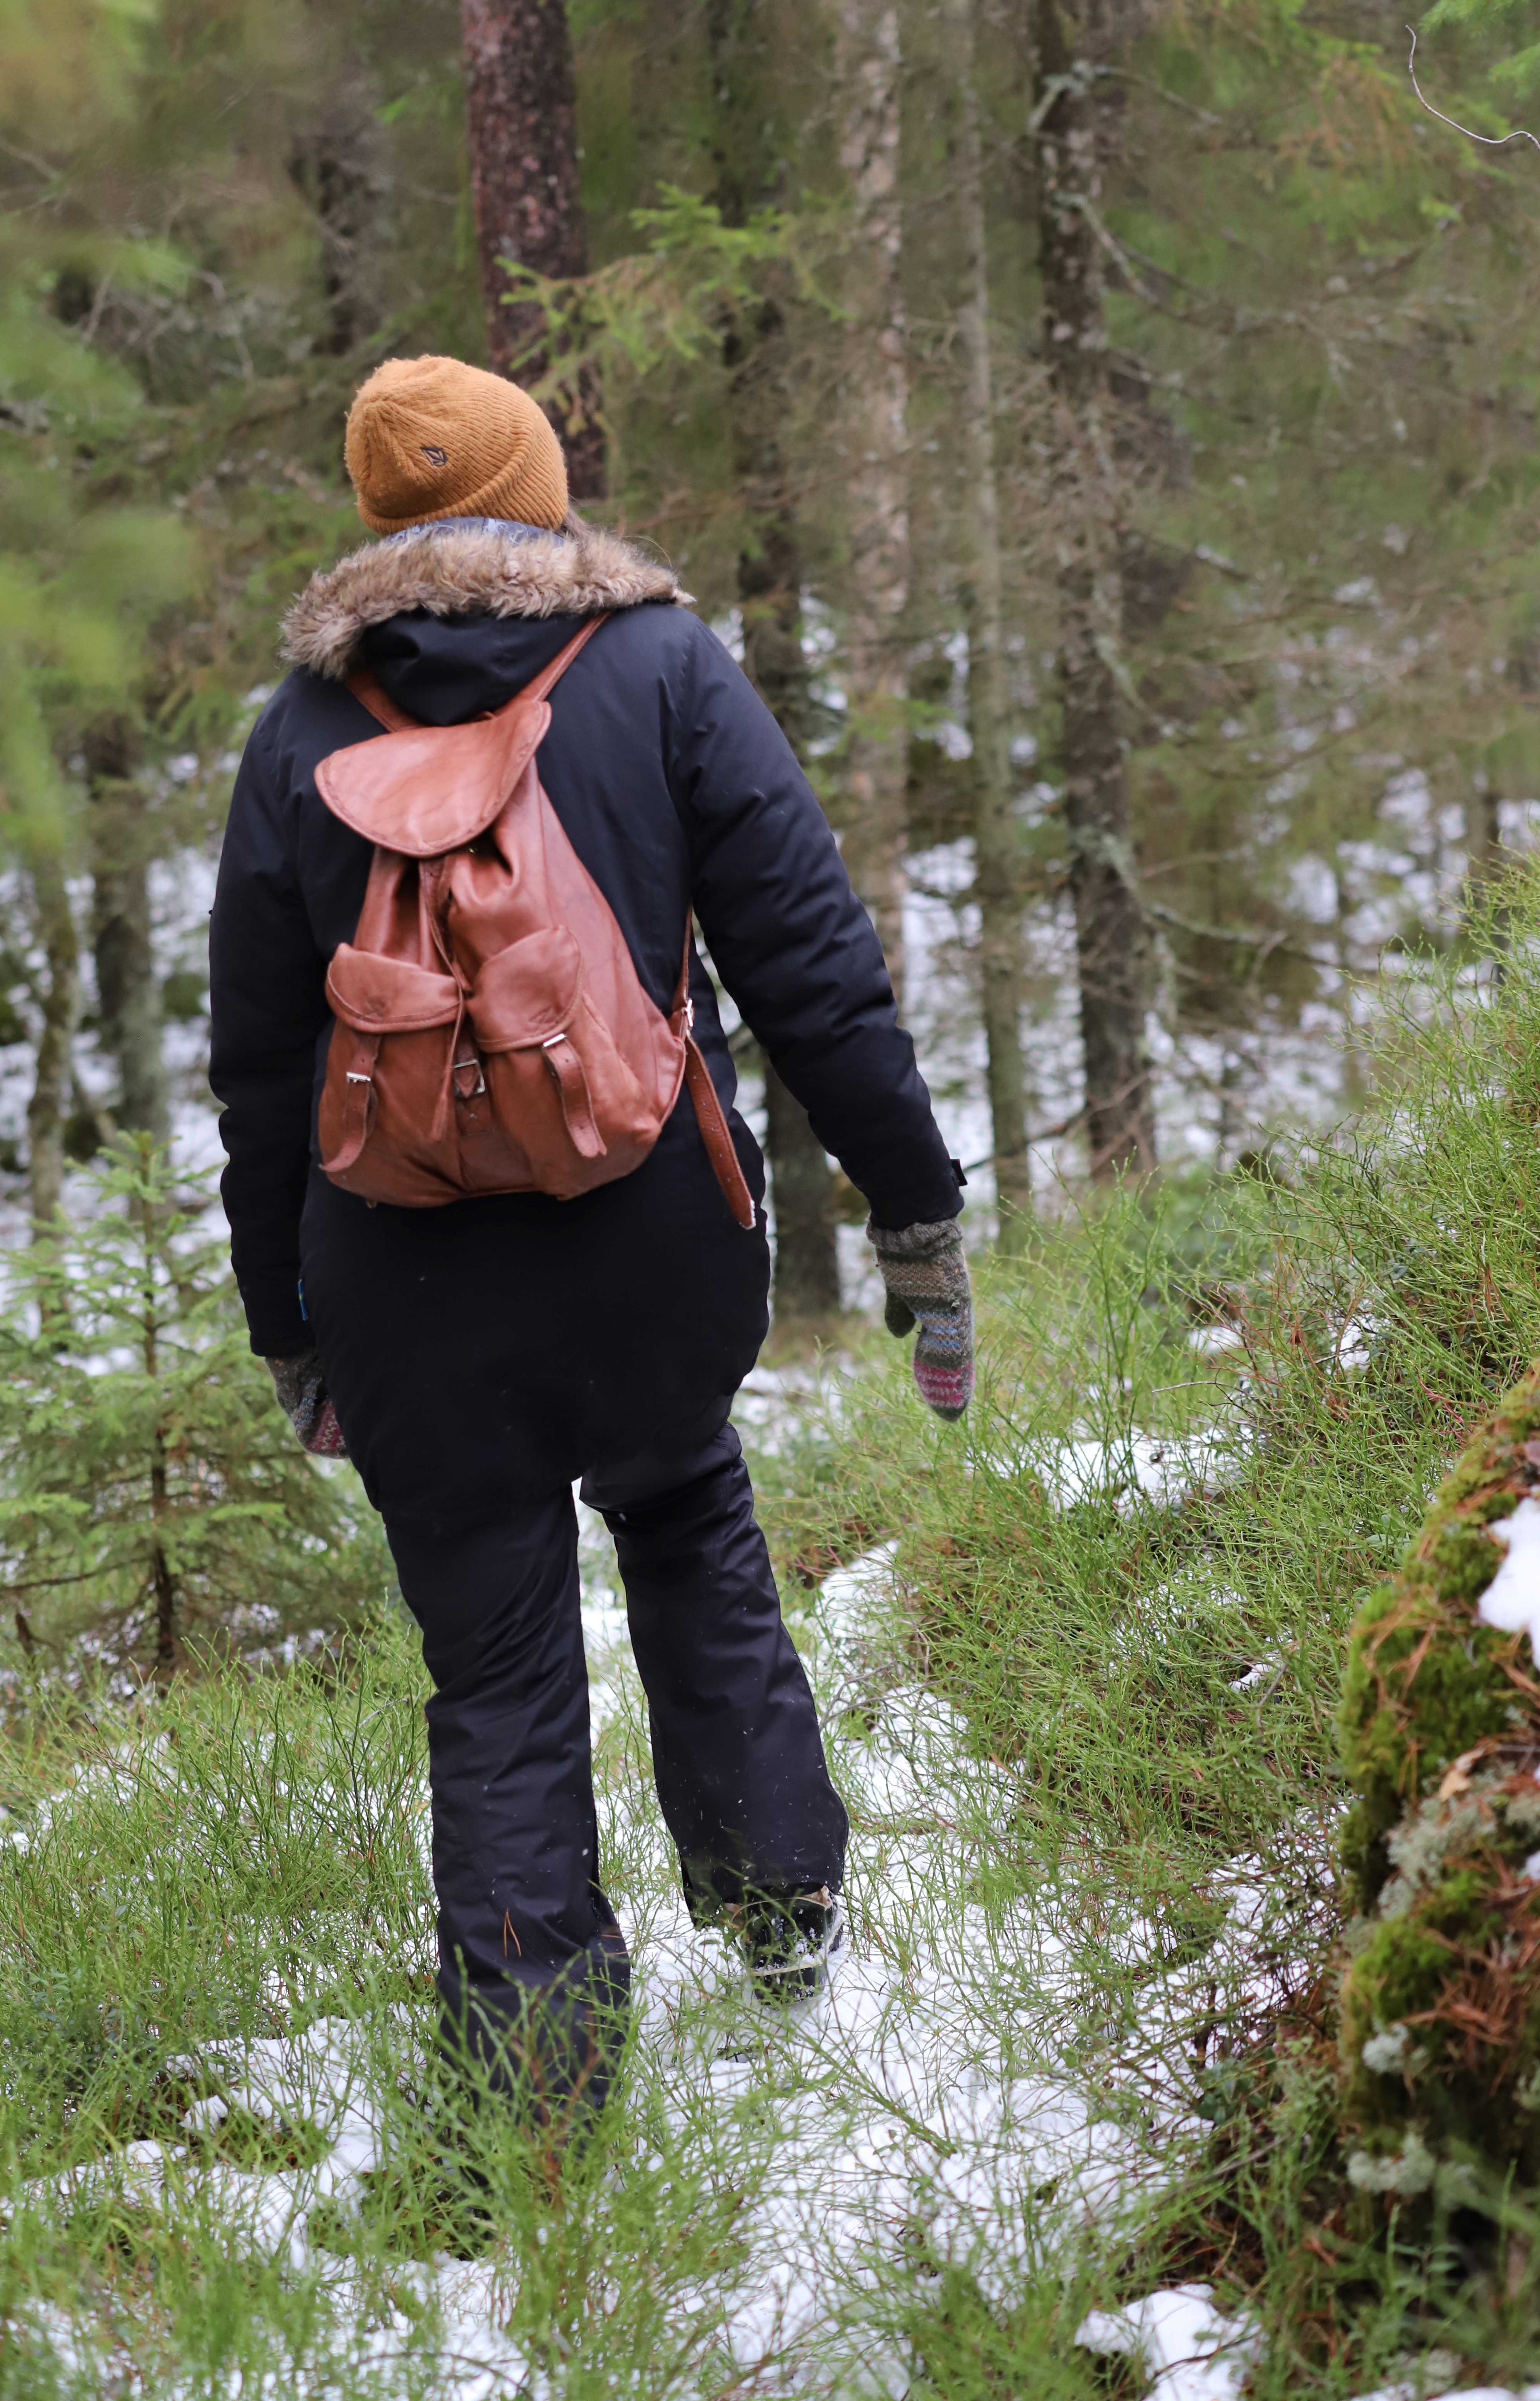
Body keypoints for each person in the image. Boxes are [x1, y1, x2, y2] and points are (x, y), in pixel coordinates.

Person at [209, 353, 972, 2129]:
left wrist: (288, 1325)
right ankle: (782, 1920)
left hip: (398, 1274)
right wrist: (913, 1217)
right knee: (689, 1507)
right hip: (653, 1244)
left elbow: (258, 1073)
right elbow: (810, 967)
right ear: (540, 492)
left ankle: (535, 2089)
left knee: (489, 1662)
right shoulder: (655, 667)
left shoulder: (300, 733)